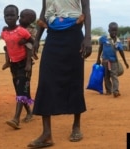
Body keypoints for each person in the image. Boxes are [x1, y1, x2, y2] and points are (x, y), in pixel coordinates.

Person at [27, 0, 92, 148]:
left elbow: (86, 10)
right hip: (53, 36)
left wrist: (87, 37)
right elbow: (44, 11)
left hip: (74, 34)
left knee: (74, 79)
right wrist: (37, 39)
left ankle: (76, 126)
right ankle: (46, 134)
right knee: (45, 80)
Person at [1, 5, 35, 129]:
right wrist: (8, 59)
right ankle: (30, 112)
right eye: (7, 15)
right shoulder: (4, 32)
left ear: (17, 17)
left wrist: (28, 64)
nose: (9, 18)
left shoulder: (23, 31)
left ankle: (16, 119)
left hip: (24, 64)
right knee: (20, 90)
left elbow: (32, 42)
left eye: (12, 15)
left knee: (21, 90)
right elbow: (7, 45)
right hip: (14, 64)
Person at [96, 22, 129, 97]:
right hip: (105, 61)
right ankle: (108, 90)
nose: (114, 32)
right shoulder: (103, 38)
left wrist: (125, 62)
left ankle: (116, 91)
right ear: (109, 30)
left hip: (113, 61)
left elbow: (121, 52)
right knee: (106, 76)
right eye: (112, 30)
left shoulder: (118, 41)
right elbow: (100, 48)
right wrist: (98, 59)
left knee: (114, 76)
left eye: (116, 30)